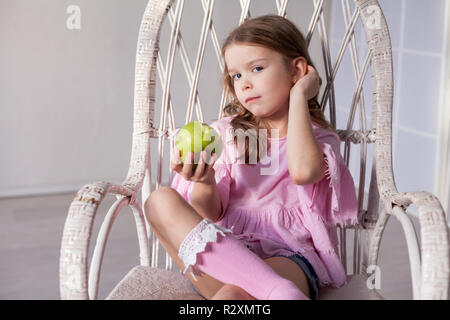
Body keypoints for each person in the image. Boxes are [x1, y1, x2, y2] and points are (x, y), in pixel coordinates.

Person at [144, 14, 358, 300]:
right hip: (224, 254)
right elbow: (210, 214)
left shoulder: (318, 138)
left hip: (288, 257)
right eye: (236, 75)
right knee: (159, 201)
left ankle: (277, 288)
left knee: (232, 298)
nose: (243, 84)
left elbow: (303, 172)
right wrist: (205, 180)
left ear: (297, 70)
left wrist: (298, 98)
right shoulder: (226, 134)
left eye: (256, 68)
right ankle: (280, 293)